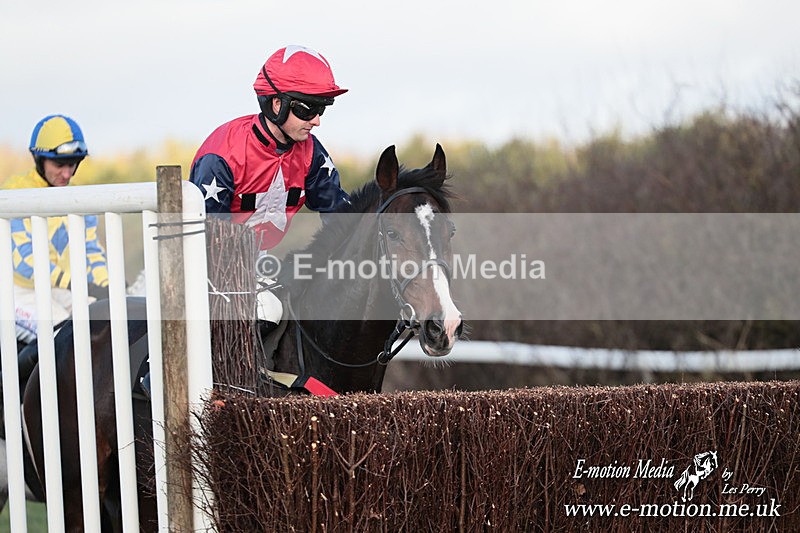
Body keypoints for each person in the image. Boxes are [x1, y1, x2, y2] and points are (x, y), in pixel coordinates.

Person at [189, 45, 351, 331]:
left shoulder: (312, 153)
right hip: (200, 266)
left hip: (257, 264)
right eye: (308, 109)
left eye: (322, 109)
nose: (317, 120)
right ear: (277, 104)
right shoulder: (222, 155)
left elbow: (343, 219)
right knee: (268, 309)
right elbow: (210, 244)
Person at [3, 114, 109, 348]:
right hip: (16, 291)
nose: (67, 174)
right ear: (39, 159)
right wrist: (75, 283)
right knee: (63, 334)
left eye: (72, 165)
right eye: (59, 165)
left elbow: (92, 252)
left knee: (103, 319)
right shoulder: (15, 194)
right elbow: (24, 260)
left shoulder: (79, 198)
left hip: (58, 289)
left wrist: (106, 284)